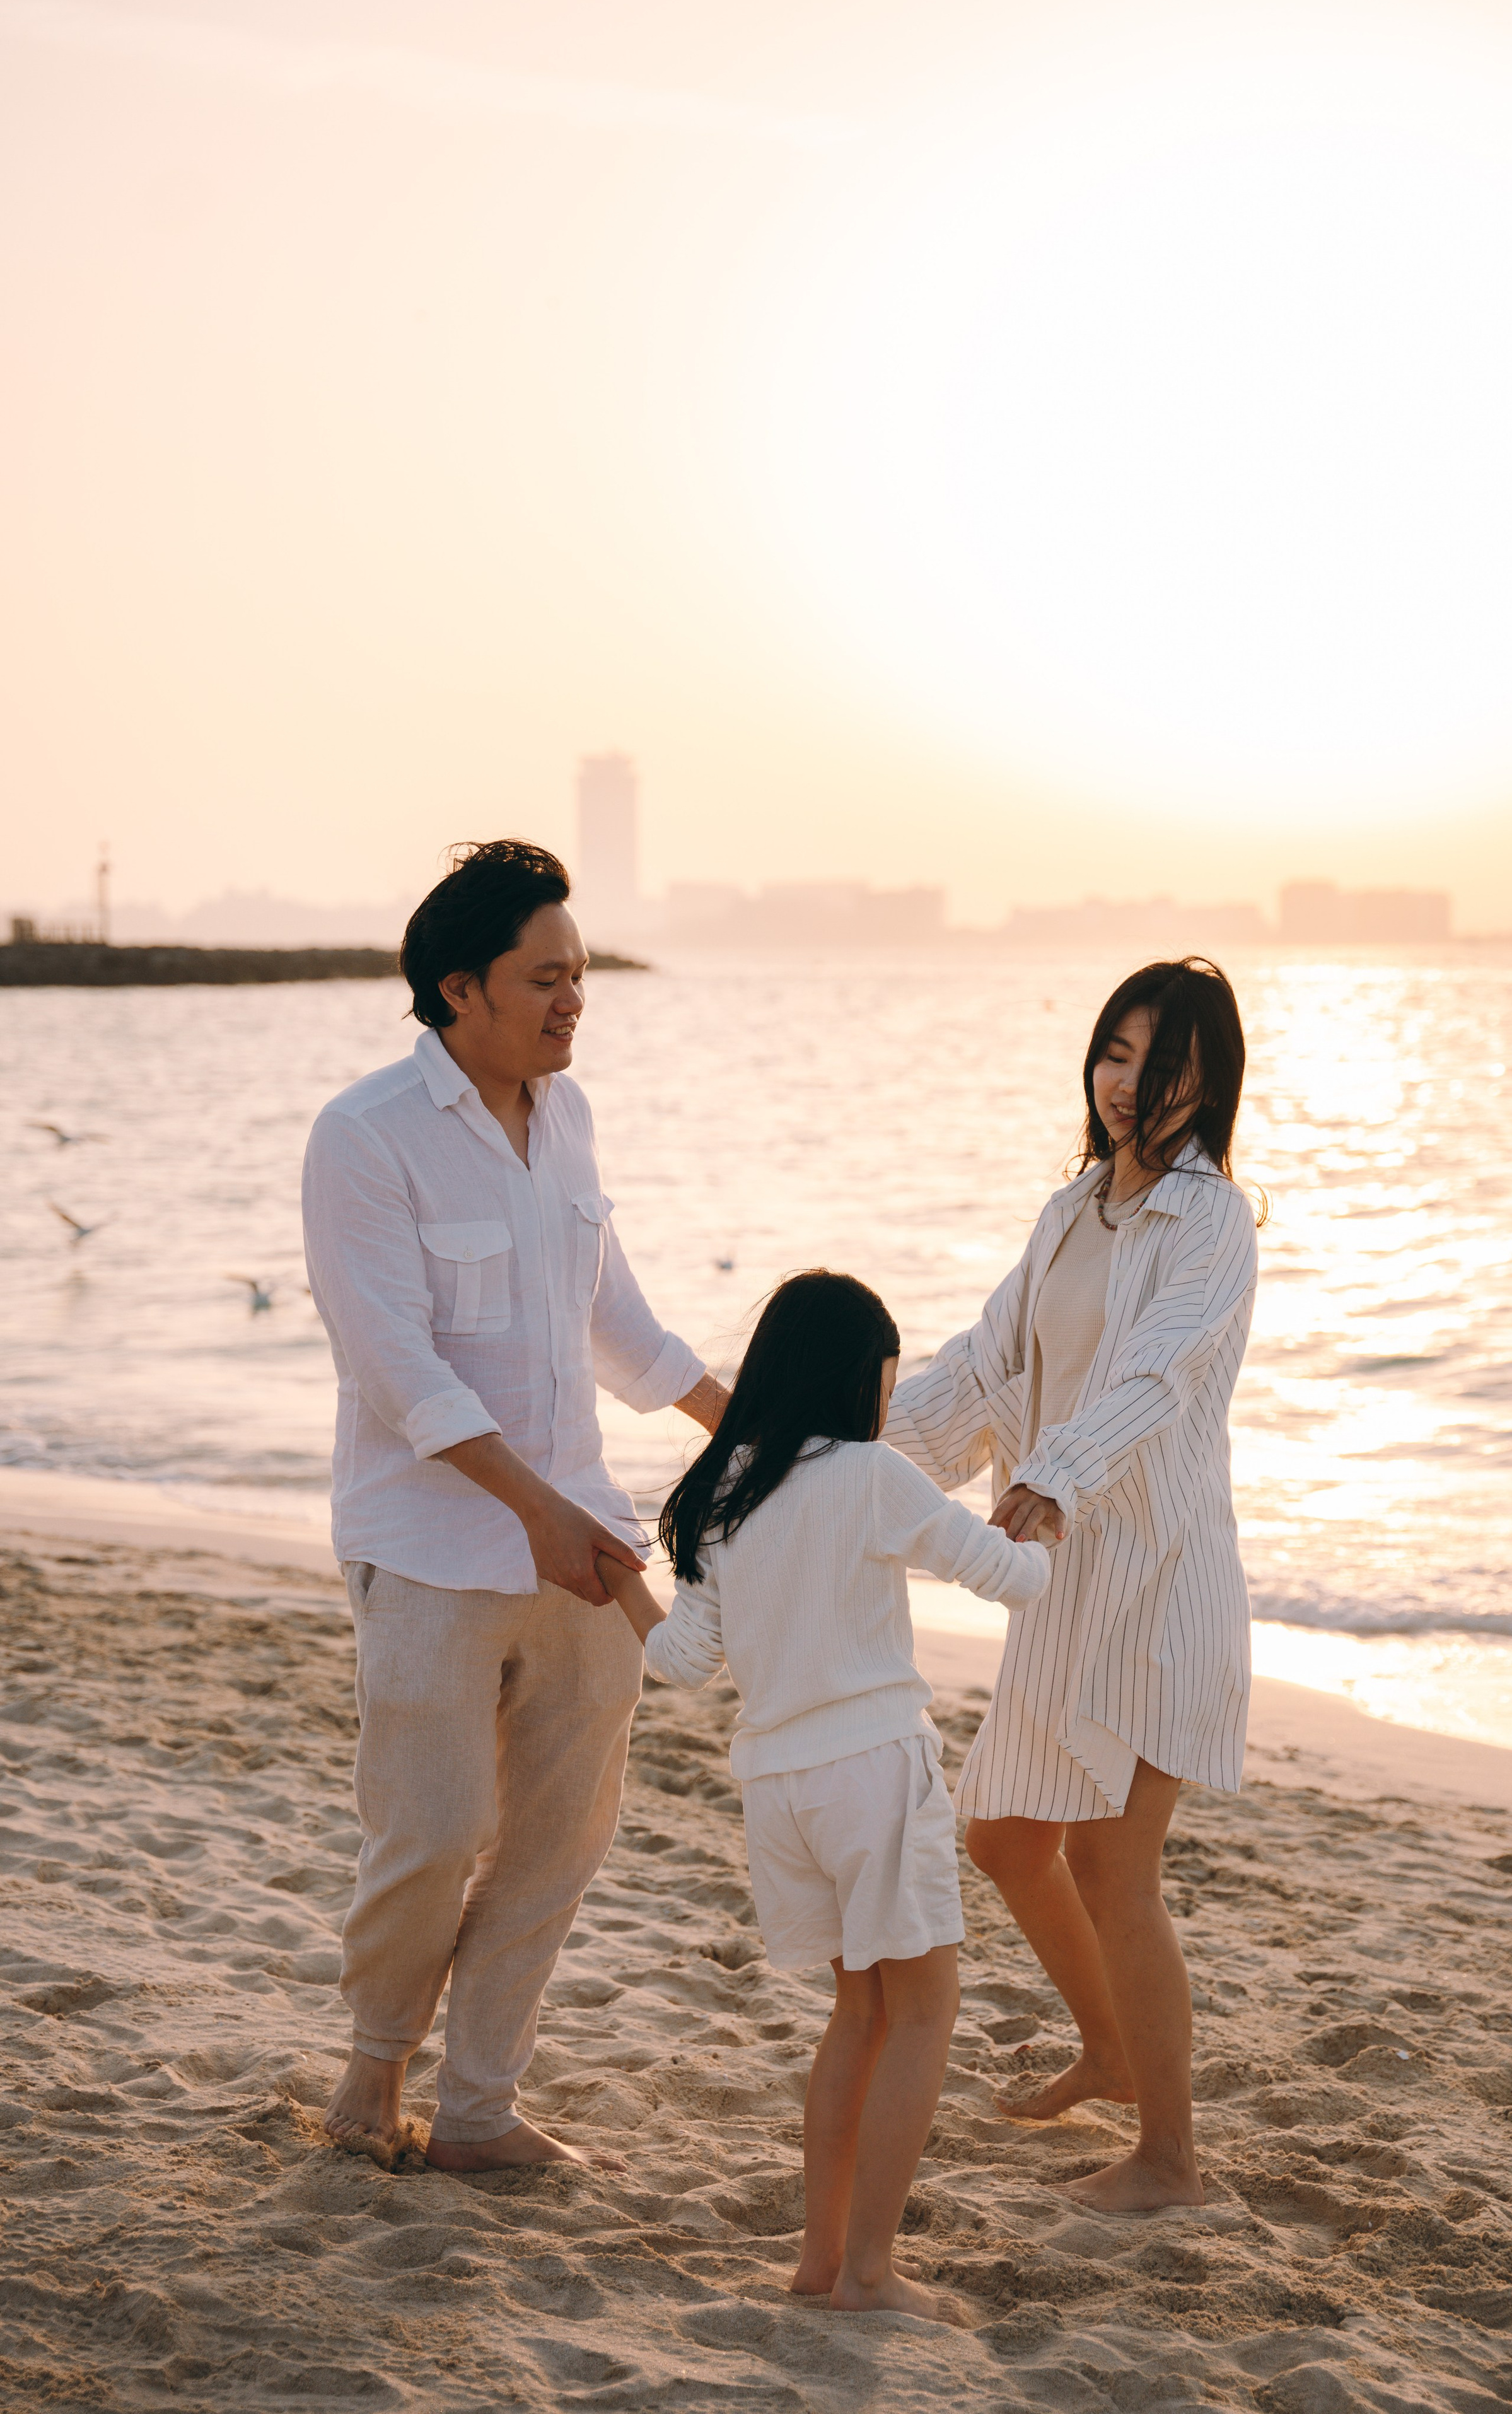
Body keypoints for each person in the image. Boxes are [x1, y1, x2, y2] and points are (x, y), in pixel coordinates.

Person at [302, 838, 728, 2171]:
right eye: (544, 978)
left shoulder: (572, 1120)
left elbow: (621, 1330)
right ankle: (374, 2075)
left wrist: (764, 1428)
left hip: (582, 1545)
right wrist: (532, 1511)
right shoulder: (363, 1135)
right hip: (430, 1548)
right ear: (457, 988)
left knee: (554, 1848)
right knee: (426, 1841)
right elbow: (396, 1370)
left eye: (580, 975)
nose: (571, 1002)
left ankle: (479, 2107)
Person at [596, 1270, 1050, 2317]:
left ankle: (821, 2264)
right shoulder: (869, 1474)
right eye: (885, 1382)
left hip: (780, 1792)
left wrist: (621, 1570)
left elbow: (680, 1660)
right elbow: (1010, 1581)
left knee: (859, 2011)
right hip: (873, 1771)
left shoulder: (726, 1487)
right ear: (858, 1379)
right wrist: (1046, 1522)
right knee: (927, 2009)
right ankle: (873, 2276)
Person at [884, 958, 1260, 2214]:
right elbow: (983, 1368)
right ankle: (1107, 2046)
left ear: (1205, 1081)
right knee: (1002, 1834)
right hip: (1061, 1579)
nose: (1126, 1081)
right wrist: (827, 1442)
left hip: (1154, 1575)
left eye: (1159, 1060)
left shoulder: (1211, 1221)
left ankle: (1169, 2158)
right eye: (1112, 1050)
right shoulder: (1070, 1211)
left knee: (1112, 1858)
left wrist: (1049, 1473)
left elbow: (1153, 1376)